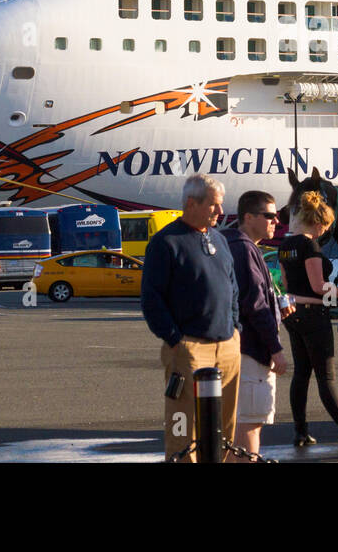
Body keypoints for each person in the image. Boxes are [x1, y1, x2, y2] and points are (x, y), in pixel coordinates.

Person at [140, 174, 241, 462]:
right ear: (191, 203)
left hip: (228, 346)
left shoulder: (220, 240)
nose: (220, 212)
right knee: (183, 424)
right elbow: (151, 298)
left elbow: (232, 289)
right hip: (189, 349)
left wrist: (236, 329)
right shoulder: (165, 243)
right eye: (213, 205)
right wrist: (175, 340)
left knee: (225, 426)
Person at [278, 191, 338, 447]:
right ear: (319, 223)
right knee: (325, 375)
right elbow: (319, 286)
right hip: (313, 315)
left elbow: (288, 285)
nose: (326, 231)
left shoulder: (285, 246)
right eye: (327, 226)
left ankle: (300, 431)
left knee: (302, 373)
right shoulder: (309, 246)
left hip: (294, 313)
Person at [222, 190, 290, 461]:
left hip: (233, 347)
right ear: (248, 217)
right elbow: (254, 304)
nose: (276, 222)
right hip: (250, 351)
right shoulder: (244, 248)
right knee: (249, 423)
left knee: (231, 422)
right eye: (269, 216)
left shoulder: (228, 243)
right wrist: (275, 348)